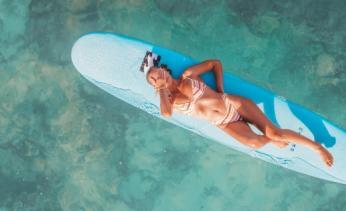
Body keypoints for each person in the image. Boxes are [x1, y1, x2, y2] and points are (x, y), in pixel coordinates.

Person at [140, 51, 334, 167]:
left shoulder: (187, 75)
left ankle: (317, 147)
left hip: (232, 104)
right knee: (255, 143)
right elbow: (166, 113)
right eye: (153, 80)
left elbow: (215, 63)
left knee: (274, 133)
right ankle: (275, 139)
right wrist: (162, 89)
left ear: (163, 69)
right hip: (224, 123)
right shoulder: (170, 100)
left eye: (156, 73)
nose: (157, 78)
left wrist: (220, 88)